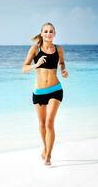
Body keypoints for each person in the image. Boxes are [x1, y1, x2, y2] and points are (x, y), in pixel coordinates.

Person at [22, 22, 68, 166]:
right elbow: (24, 68)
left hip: (55, 89)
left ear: (54, 34)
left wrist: (63, 71)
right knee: (42, 124)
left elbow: (62, 63)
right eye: (46, 31)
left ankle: (48, 155)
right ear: (42, 34)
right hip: (39, 92)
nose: (49, 34)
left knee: (49, 122)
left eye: (51, 31)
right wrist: (36, 64)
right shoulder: (35, 49)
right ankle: (45, 147)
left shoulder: (59, 49)